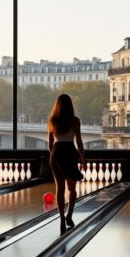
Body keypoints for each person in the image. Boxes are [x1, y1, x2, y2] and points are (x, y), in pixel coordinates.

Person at [48, 94, 86, 233]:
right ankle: (69, 215)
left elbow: (50, 143)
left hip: (56, 152)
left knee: (60, 188)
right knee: (72, 188)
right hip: (70, 151)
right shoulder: (75, 120)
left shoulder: (53, 120)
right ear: (70, 105)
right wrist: (83, 157)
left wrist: (52, 157)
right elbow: (79, 141)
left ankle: (62, 218)